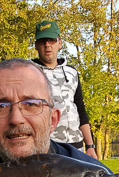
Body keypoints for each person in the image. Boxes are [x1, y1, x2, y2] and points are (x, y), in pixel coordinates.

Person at [31, 20, 98, 159]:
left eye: (51, 40)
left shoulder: (72, 72)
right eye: (43, 41)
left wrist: (90, 146)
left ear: (60, 43)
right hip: (48, 146)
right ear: (36, 45)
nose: (47, 45)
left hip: (76, 145)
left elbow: (80, 108)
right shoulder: (29, 72)